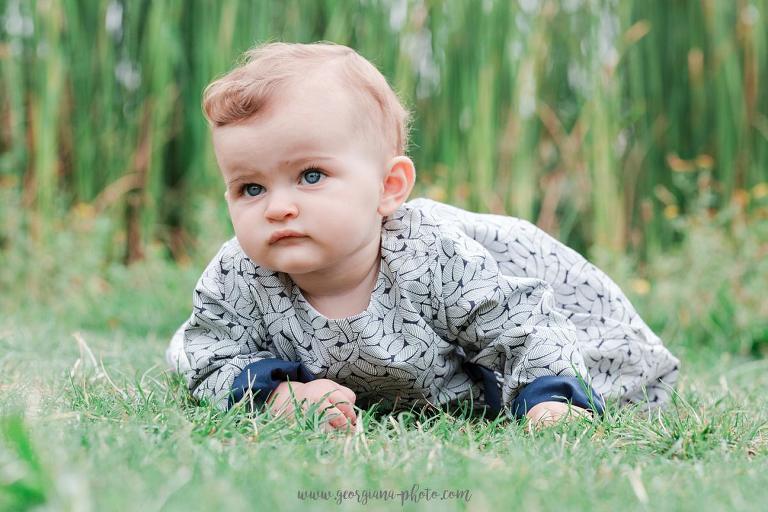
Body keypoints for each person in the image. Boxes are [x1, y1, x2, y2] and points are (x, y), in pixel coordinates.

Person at [165, 41, 680, 431]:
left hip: (481, 368)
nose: (278, 207)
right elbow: (210, 354)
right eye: (250, 187)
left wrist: (550, 400)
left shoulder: (429, 256)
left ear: (388, 188)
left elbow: (523, 327)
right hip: (396, 384)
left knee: (574, 365)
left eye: (312, 175)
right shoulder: (240, 273)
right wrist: (276, 395)